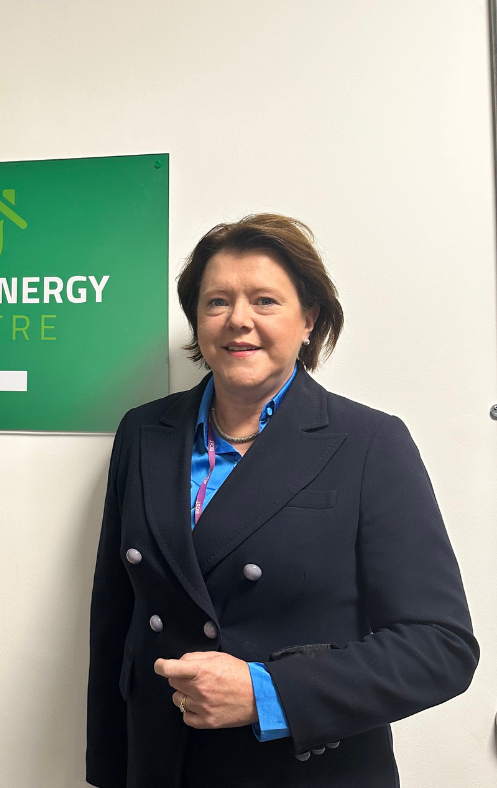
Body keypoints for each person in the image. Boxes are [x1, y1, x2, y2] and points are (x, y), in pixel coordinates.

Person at [86, 214, 478, 788]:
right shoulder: (144, 433)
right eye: (217, 301)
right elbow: (114, 620)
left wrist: (266, 693)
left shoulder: (370, 442)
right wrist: (111, 770)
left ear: (309, 319)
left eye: (264, 300)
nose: (238, 320)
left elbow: (440, 647)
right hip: (163, 765)